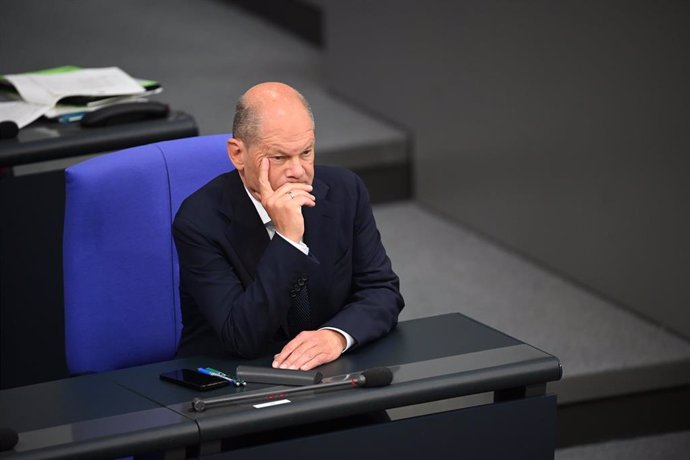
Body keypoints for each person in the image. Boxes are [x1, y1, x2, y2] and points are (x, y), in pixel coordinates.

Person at [173, 82, 404, 371]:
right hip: (234, 378)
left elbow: (382, 291)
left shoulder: (345, 191)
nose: (298, 171)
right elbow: (241, 337)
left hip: (328, 368)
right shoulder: (199, 220)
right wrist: (287, 240)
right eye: (279, 157)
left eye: (306, 153)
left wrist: (335, 337)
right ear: (238, 155)